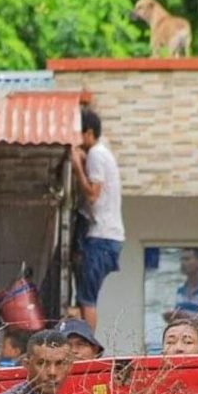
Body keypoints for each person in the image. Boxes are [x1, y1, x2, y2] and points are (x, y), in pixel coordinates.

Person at [71, 108, 124, 331]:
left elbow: (93, 194)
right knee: (86, 296)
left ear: (89, 132)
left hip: (101, 237)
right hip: (108, 237)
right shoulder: (102, 152)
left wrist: (77, 168)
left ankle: (88, 351)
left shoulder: (96, 154)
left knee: (87, 298)